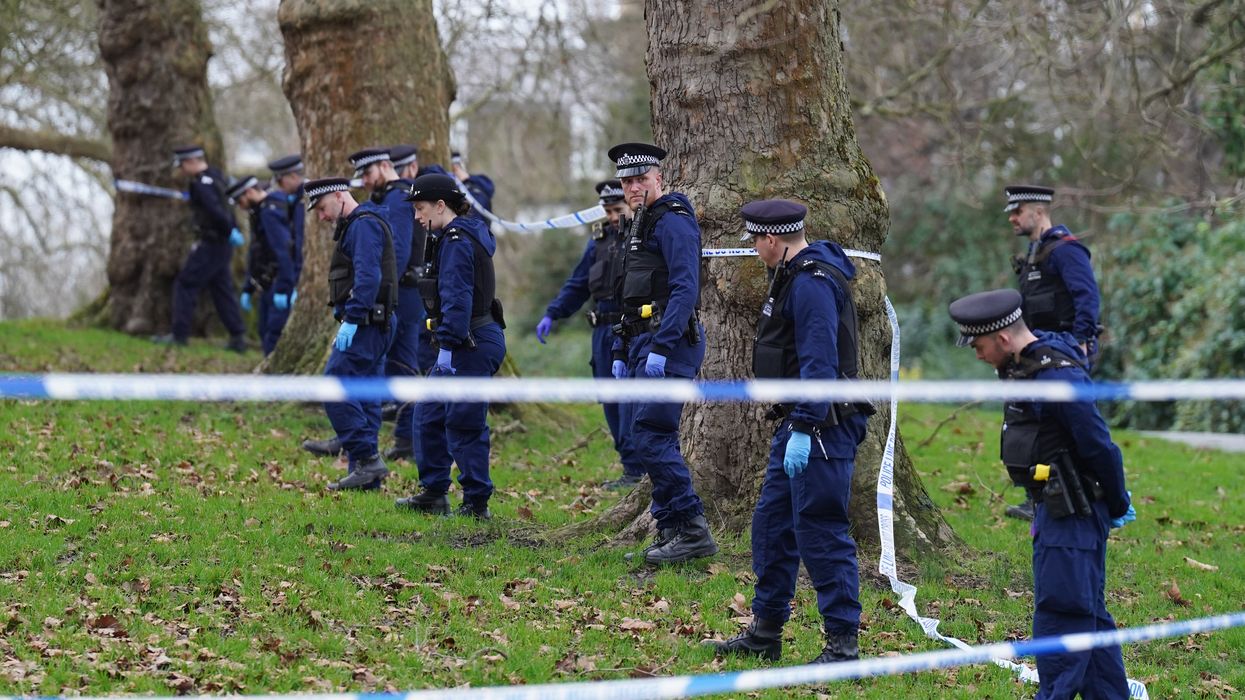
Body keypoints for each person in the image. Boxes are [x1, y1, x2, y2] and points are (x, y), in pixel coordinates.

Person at [948, 288, 1135, 699]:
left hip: (1073, 514)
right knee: (1089, 618)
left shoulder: (1056, 375)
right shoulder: (1023, 367)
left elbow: (1099, 443)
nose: (977, 355)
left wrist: (1118, 501)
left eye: (979, 346)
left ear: (1002, 339)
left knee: (1062, 618)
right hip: (1056, 511)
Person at [713, 199, 872, 665]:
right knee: (772, 527)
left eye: (756, 242)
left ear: (772, 239)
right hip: (798, 423)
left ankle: (843, 647)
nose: (755, 250)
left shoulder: (812, 285)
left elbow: (820, 362)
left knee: (820, 532)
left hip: (822, 426)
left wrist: (804, 424)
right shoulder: (792, 275)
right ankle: (765, 632)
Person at [607, 141, 717, 565]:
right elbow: (629, 294)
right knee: (648, 437)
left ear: (659, 179)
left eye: (641, 179)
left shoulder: (673, 221)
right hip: (641, 342)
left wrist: (662, 346)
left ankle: (691, 527)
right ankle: (670, 526)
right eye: (627, 181)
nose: (634, 187)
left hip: (668, 343)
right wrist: (620, 346)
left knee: (651, 437)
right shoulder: (639, 223)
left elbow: (686, 290)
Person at [395, 173, 506, 519]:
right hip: (461, 340)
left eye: (420, 208)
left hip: (469, 342)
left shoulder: (458, 241)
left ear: (441, 206)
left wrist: (447, 345)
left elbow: (457, 299)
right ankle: (434, 492)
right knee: (427, 414)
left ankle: (476, 503)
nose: (416, 215)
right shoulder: (447, 237)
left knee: (464, 422)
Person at [1004, 185, 1104, 521]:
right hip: (1040, 352)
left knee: (1067, 429)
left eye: (1017, 212)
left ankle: (1085, 493)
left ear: (1038, 210)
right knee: (1037, 427)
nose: (1013, 219)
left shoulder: (1065, 250)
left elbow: (1087, 298)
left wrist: (1080, 342)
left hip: (1065, 354)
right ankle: (1041, 497)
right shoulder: (1035, 253)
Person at [535, 180, 642, 489]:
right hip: (602, 332)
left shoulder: (643, 237)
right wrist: (553, 312)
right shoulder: (598, 241)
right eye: (607, 211)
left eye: (617, 210)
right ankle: (628, 466)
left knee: (629, 400)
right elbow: (578, 283)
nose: (611, 217)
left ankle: (638, 468)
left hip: (632, 329)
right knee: (609, 399)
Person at [303, 176, 398, 491]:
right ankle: (365, 475)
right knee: (365, 394)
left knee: (335, 385)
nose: (322, 216)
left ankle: (365, 457)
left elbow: (369, 277)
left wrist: (353, 318)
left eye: (322, 207)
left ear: (340, 195)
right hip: (374, 322)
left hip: (368, 323)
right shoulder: (361, 223)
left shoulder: (362, 225)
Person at [349, 147, 424, 463]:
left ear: (384, 166)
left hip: (404, 294)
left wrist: (383, 294)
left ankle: (407, 438)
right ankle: (402, 437)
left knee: (403, 366)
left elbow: (399, 252)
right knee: (394, 364)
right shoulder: (388, 197)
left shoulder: (398, 197)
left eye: (368, 174)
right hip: (399, 292)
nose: (365, 182)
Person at [152, 145, 247, 352]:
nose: (183, 170)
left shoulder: (201, 183)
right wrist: (232, 230)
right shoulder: (217, 176)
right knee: (221, 289)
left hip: (212, 242)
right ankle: (238, 336)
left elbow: (215, 210)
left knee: (185, 283)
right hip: (223, 243)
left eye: (183, 165)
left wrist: (229, 229)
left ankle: (179, 334)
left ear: (191, 162)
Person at [226, 176, 298, 356]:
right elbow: (256, 251)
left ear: (250, 192)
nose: (240, 206)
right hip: (267, 283)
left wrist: (284, 287)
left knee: (273, 334)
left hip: (278, 282)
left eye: (240, 200)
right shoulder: (259, 212)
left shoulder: (270, 213)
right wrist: (249, 287)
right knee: (264, 330)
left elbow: (283, 251)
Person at [268, 154, 306, 293]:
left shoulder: (302, 201)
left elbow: (299, 242)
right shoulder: (295, 200)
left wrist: (295, 281)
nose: (280, 187)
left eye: (281, 182)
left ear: (293, 176)